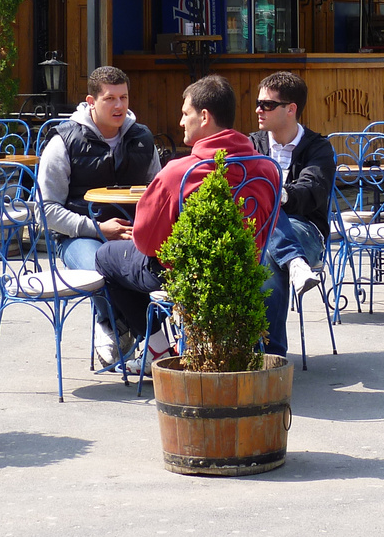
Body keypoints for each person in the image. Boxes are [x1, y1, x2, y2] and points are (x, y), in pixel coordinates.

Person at [93, 75, 280, 368]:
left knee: (106, 256)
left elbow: (146, 242)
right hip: (245, 273)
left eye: (185, 113)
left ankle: (157, 348)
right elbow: (269, 227)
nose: (181, 122)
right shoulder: (266, 167)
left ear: (204, 117)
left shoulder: (179, 172)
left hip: (187, 278)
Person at [36, 66, 158, 364]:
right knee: (101, 269)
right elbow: (45, 211)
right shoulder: (63, 142)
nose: (119, 106)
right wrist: (97, 228)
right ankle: (125, 331)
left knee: (152, 268)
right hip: (77, 237)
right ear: (91, 101)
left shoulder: (142, 139)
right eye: (110, 99)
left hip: (132, 233)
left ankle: (130, 333)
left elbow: (156, 194)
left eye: (124, 98)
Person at [249, 71, 336, 358]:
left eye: (267, 105)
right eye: (258, 103)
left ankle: (267, 351)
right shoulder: (251, 145)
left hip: (306, 231)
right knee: (270, 256)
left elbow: (311, 192)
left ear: (291, 109)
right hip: (258, 232)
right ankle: (270, 355)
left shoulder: (318, 148)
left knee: (268, 253)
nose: (258, 110)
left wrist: (275, 194)